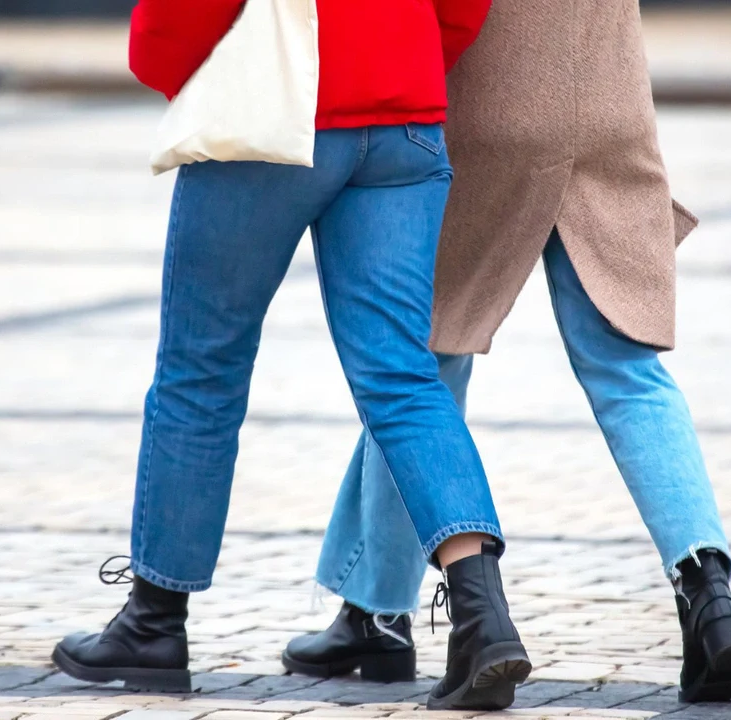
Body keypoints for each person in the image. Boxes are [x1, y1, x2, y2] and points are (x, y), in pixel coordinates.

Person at [52, 0, 536, 711]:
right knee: (405, 378)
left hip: (274, 111)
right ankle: (483, 617)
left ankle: (153, 625)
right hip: (404, 112)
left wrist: (181, 68)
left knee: (200, 374)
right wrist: (409, 58)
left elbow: (177, 18)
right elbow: (462, 7)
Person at [280, 0, 731, 704]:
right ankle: (708, 589)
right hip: (610, 98)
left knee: (425, 362)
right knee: (628, 370)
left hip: (493, 100)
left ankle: (381, 616)